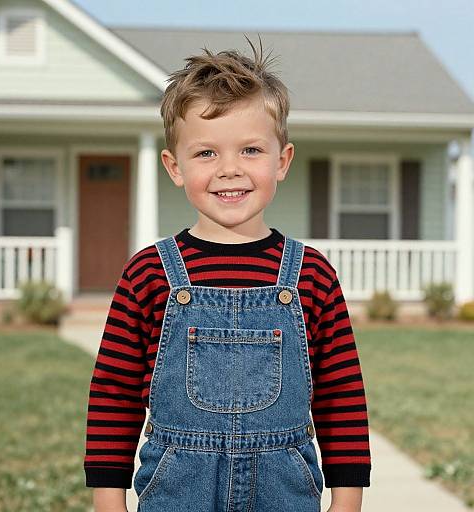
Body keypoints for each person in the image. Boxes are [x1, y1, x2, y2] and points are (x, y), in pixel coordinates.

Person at [83, 35, 371, 512]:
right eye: (206, 153)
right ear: (174, 167)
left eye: (251, 150)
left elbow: (341, 393)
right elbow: (113, 392)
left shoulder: (312, 275)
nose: (229, 170)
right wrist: (108, 500)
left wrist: (348, 499)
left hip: (286, 494)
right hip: (176, 493)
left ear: (283, 161)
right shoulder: (148, 273)